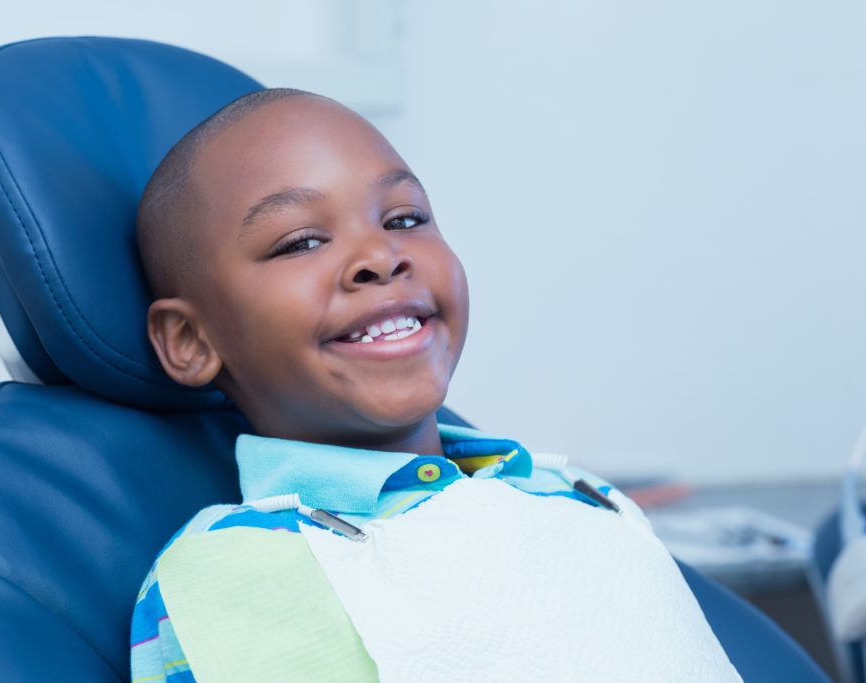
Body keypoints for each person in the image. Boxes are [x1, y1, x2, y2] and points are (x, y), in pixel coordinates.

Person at [129, 88, 739, 682]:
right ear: (191, 339)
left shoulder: (575, 494)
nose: (381, 253)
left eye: (406, 218)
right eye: (302, 242)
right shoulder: (241, 568)